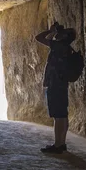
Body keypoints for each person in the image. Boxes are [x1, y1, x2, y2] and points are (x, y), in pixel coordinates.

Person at [35, 21, 76, 154]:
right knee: (62, 115)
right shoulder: (66, 48)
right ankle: (61, 143)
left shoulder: (58, 46)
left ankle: (58, 145)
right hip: (61, 85)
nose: (58, 35)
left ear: (64, 37)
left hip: (55, 85)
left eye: (61, 34)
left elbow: (39, 38)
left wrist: (51, 30)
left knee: (58, 116)